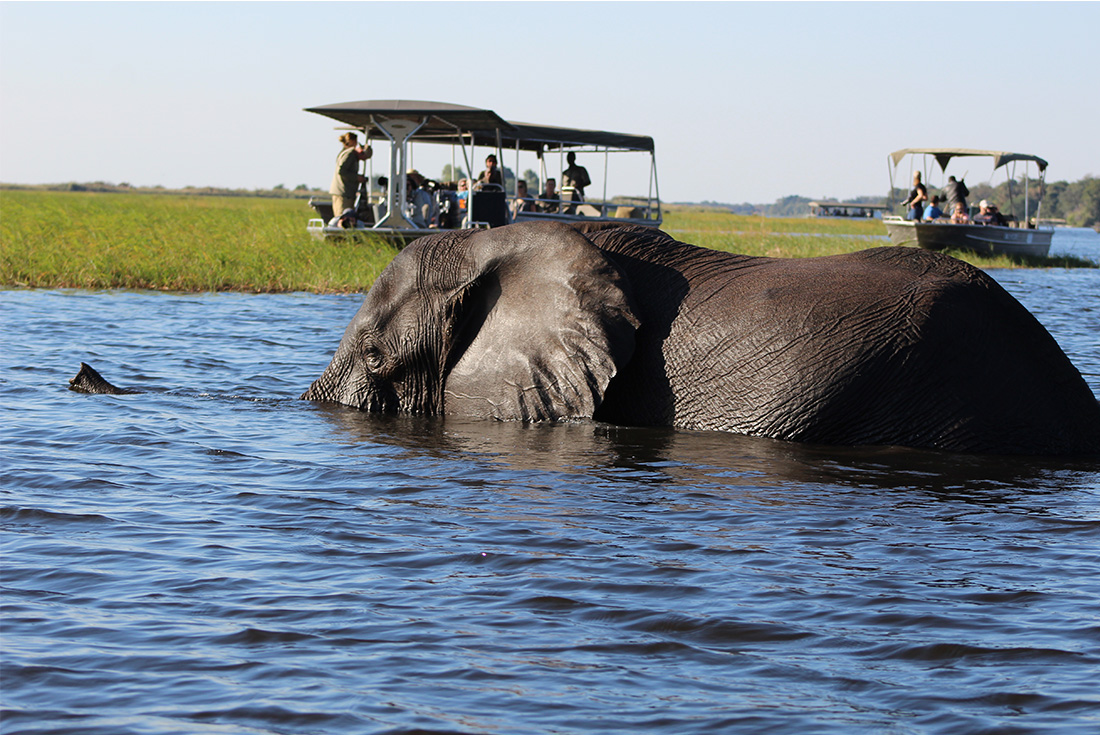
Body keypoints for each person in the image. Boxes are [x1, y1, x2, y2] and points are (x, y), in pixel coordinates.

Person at [329, 132, 371, 219]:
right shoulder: (350, 154)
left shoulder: (350, 154)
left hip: (347, 193)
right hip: (343, 193)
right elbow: (341, 171)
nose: (363, 160)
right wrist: (356, 178)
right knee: (343, 218)